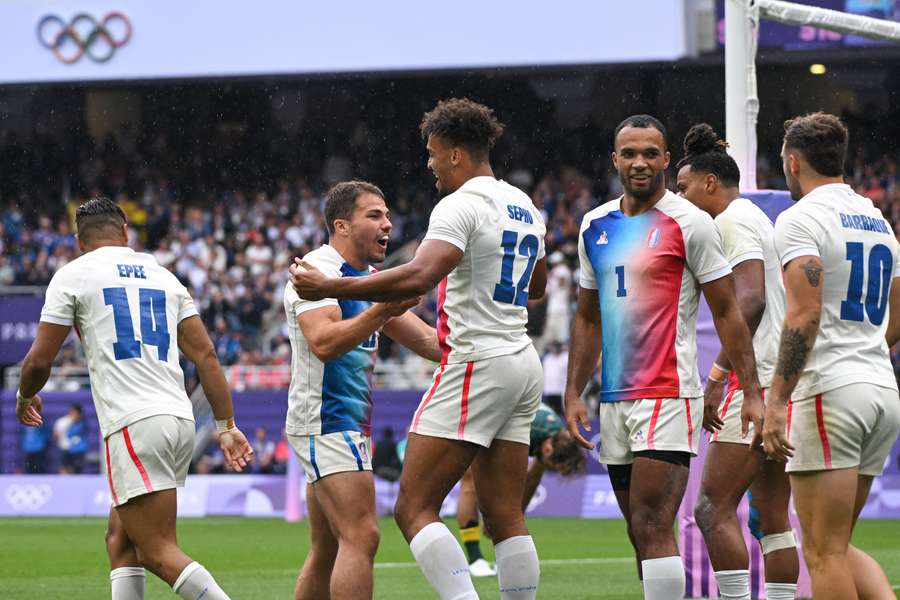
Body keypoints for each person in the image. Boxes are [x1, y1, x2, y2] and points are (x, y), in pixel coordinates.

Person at [291, 98, 548, 600]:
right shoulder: (524, 204)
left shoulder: (460, 204)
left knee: (413, 506)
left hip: (478, 358)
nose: (429, 164)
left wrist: (330, 290)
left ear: (455, 153)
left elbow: (420, 274)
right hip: (521, 358)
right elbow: (535, 285)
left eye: (432, 154)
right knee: (505, 512)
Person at [564, 115, 764, 600]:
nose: (639, 162)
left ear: (667, 160)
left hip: (668, 394)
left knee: (654, 524)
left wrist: (752, 391)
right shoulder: (595, 224)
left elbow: (728, 311)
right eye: (629, 152)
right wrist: (573, 391)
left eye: (650, 153)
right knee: (639, 531)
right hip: (614, 397)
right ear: (614, 159)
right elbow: (588, 317)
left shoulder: (690, 223)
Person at [15, 197, 254, 600]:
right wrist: (226, 426)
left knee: (157, 552)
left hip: (133, 422)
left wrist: (25, 395)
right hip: (177, 419)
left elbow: (40, 359)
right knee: (120, 541)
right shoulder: (165, 276)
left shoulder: (73, 275)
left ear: (78, 241)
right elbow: (206, 354)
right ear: (125, 232)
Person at [762, 112, 900, 600]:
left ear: (793, 162)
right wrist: (864, 357)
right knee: (837, 546)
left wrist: (777, 400)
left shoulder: (800, 219)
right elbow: (897, 309)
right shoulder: (876, 219)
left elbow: (804, 314)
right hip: (880, 387)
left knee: (821, 553)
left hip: (831, 391)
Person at [285, 180, 442, 600]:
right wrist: (383, 310)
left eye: (387, 215)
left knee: (327, 548)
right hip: (326, 419)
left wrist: (484, 342)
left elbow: (428, 343)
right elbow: (325, 343)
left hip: (345, 421)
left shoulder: (366, 280)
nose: (387, 224)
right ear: (342, 226)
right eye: (374, 215)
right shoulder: (316, 274)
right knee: (363, 535)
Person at [676, 123, 799, 600]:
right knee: (771, 514)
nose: (680, 198)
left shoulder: (729, 222)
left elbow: (749, 302)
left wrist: (716, 377)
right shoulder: (752, 218)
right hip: (780, 382)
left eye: (683, 188)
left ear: (709, 183)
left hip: (758, 382)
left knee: (713, 508)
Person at [454, 400, 587, 578]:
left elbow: (532, 478)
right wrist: (493, 518)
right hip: (479, 417)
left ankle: (505, 556)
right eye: (551, 466)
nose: (549, 470)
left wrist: (510, 522)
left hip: (500, 418)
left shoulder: (553, 437)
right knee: (470, 476)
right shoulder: (534, 431)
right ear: (547, 449)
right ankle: (475, 558)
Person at [59, 403, 88, 474]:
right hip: (68, 449)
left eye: (74, 412)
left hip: (78, 451)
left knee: (77, 469)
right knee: (66, 467)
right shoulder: (65, 422)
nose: (72, 414)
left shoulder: (82, 424)